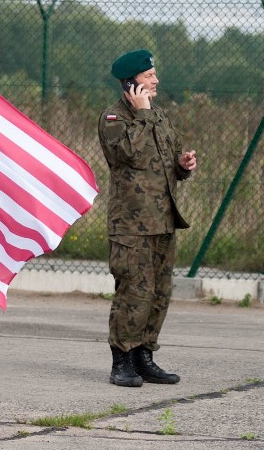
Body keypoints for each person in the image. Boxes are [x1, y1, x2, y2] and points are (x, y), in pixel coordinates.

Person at [97, 49, 197, 388]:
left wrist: (182, 166)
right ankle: (122, 361)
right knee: (134, 293)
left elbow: (166, 162)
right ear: (131, 83)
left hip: (163, 221)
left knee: (159, 294)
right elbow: (127, 153)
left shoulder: (160, 116)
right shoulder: (114, 119)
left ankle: (144, 356)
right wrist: (141, 115)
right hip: (131, 226)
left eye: (154, 75)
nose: (156, 80)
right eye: (149, 76)